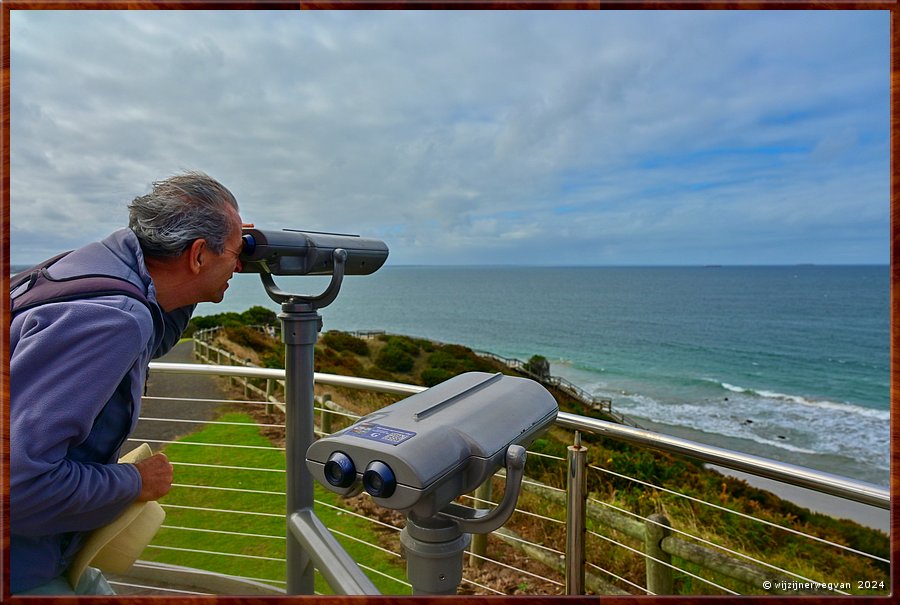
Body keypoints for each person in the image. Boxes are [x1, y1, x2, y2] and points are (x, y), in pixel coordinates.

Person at [9, 171, 246, 594]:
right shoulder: (113, 319)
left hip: (42, 548)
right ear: (196, 255)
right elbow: (21, 487)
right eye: (236, 252)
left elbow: (156, 321)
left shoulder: (90, 268)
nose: (241, 263)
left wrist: (220, 246)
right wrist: (137, 482)